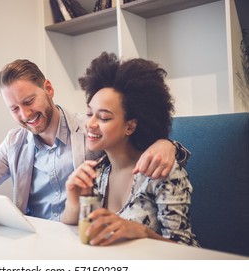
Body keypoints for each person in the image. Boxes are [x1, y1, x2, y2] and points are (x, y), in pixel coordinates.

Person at [0, 58, 190, 223]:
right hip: (35, 242)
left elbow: (135, 145)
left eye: (29, 102)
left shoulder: (89, 131)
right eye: (14, 108)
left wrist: (167, 144)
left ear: (49, 89)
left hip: (78, 239)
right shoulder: (15, 142)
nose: (25, 115)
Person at [61, 52, 199, 247]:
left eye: (104, 117)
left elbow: (186, 251)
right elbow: (73, 230)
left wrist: (143, 233)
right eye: (89, 113)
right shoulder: (97, 172)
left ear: (130, 126)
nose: (90, 124)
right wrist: (74, 200)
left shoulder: (160, 171)